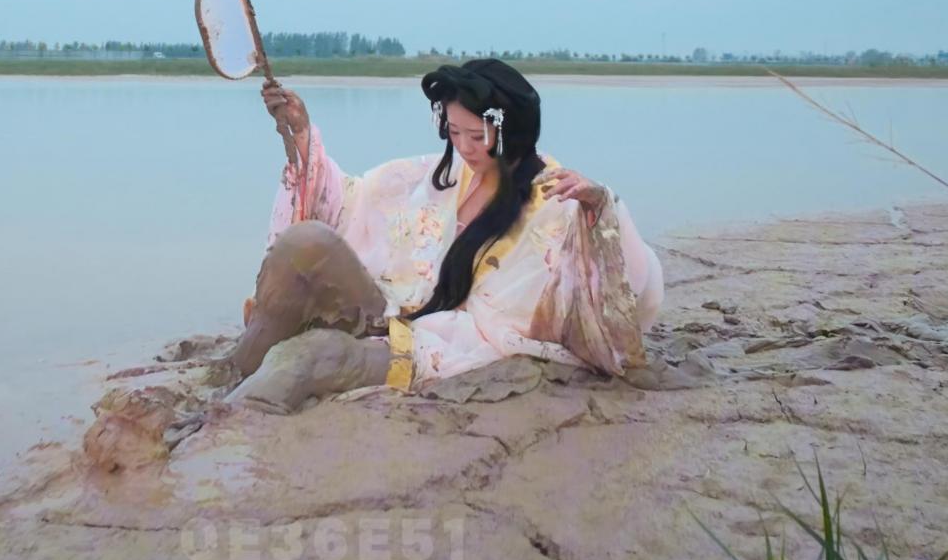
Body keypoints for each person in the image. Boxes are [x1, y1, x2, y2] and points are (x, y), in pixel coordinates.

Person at [222, 58, 665, 412]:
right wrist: (301, 133)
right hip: (398, 307)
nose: (464, 147)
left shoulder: (555, 199)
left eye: (477, 135)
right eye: (454, 133)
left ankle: (231, 432)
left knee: (308, 356)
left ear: (512, 131)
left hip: (455, 345)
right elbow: (353, 199)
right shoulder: (449, 174)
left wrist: (599, 208)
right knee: (304, 244)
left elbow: (634, 291)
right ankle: (229, 375)